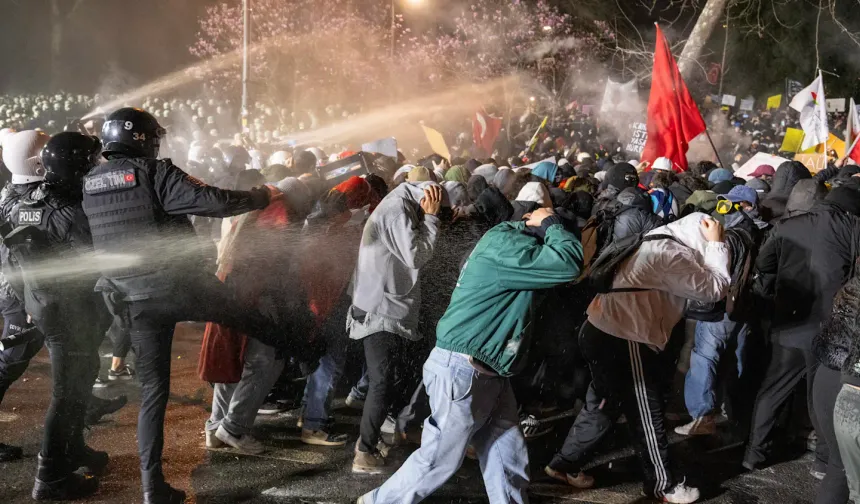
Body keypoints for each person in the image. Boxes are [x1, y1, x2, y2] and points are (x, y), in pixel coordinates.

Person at [80, 107, 284, 504]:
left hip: (133, 302)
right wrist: (261, 196)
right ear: (144, 139)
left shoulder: (88, 182)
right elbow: (213, 201)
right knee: (253, 319)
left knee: (154, 393)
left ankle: (152, 488)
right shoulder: (154, 172)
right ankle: (303, 349)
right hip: (181, 287)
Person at [358, 207, 583, 504]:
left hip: (486, 370)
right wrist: (553, 223)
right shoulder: (509, 247)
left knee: (507, 455)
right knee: (439, 460)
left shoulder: (508, 243)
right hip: (463, 369)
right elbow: (568, 263)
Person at [549, 213, 730, 504]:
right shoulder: (670, 254)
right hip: (625, 335)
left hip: (601, 329)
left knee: (605, 405)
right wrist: (716, 246)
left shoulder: (651, 243)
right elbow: (714, 289)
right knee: (646, 412)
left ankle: (563, 464)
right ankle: (662, 485)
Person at [6, 131, 106, 500]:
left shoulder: (26, 201)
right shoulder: (74, 209)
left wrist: (28, 303)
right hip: (70, 310)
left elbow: (12, 262)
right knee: (68, 391)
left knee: (80, 379)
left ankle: (73, 448)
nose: (98, 166)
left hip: (44, 305)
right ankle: (49, 476)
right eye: (92, 162)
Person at [744, 186, 860, 474]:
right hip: (827, 326)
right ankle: (823, 461)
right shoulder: (852, 228)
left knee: (773, 390)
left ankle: (753, 453)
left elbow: (764, 263)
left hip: (789, 323)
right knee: (819, 397)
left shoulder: (788, 226)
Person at [347, 181, 444, 474]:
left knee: (386, 380)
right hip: (381, 309)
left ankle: (372, 442)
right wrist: (432, 218)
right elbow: (417, 255)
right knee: (381, 382)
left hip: (383, 306)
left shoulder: (398, 205)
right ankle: (364, 453)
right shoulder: (398, 210)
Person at [676, 185, 766, 436]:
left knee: (705, 356)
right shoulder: (765, 230)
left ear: (746, 206)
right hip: (747, 305)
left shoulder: (732, 235)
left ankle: (702, 415)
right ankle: (733, 410)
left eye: (729, 205)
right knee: (736, 358)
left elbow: (716, 273)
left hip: (724, 306)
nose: (722, 210)